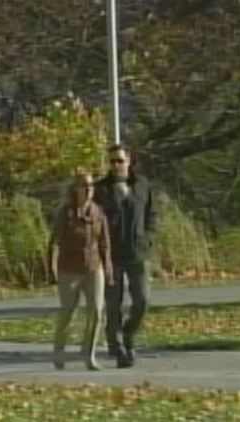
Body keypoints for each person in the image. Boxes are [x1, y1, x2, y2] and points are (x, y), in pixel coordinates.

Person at [94, 144, 156, 368]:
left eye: (120, 161)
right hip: (112, 253)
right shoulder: (100, 189)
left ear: (129, 161)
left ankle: (128, 333)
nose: (116, 165)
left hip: (137, 251)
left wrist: (148, 238)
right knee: (113, 303)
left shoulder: (142, 185)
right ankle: (117, 344)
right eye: (112, 161)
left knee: (142, 299)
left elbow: (151, 215)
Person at [48, 173, 114, 371]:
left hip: (94, 267)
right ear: (75, 188)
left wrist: (108, 267)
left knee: (96, 311)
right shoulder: (65, 213)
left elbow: (105, 242)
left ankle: (89, 355)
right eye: (83, 186)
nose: (88, 189)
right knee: (68, 310)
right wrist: (51, 268)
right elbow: (54, 243)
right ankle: (59, 351)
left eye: (91, 186)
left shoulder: (97, 212)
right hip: (69, 268)